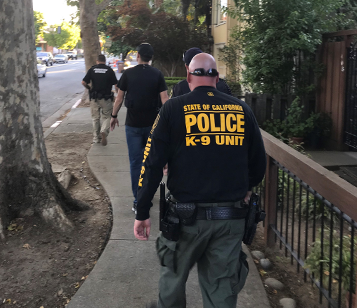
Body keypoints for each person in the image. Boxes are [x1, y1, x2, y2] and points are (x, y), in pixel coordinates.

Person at [134, 53, 267, 308]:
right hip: (230, 219)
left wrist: (142, 211)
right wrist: (247, 188)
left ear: (188, 76)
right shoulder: (242, 110)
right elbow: (258, 163)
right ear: (217, 78)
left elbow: (151, 164)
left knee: (172, 278)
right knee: (222, 287)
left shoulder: (172, 108)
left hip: (185, 220)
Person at [110, 43, 169, 213]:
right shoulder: (157, 74)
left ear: (138, 56)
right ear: (151, 58)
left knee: (136, 163)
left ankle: (138, 200)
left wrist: (113, 116)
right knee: (152, 162)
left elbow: (119, 98)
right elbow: (165, 99)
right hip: (153, 126)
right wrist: (168, 121)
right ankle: (148, 195)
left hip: (133, 125)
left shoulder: (128, 74)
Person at [82, 54, 118, 145]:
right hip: (106, 98)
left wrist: (89, 88)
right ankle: (104, 131)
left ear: (97, 61)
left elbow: (83, 82)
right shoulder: (110, 70)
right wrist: (117, 94)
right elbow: (116, 84)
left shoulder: (92, 69)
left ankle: (96, 138)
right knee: (107, 116)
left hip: (94, 98)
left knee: (95, 118)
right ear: (105, 61)